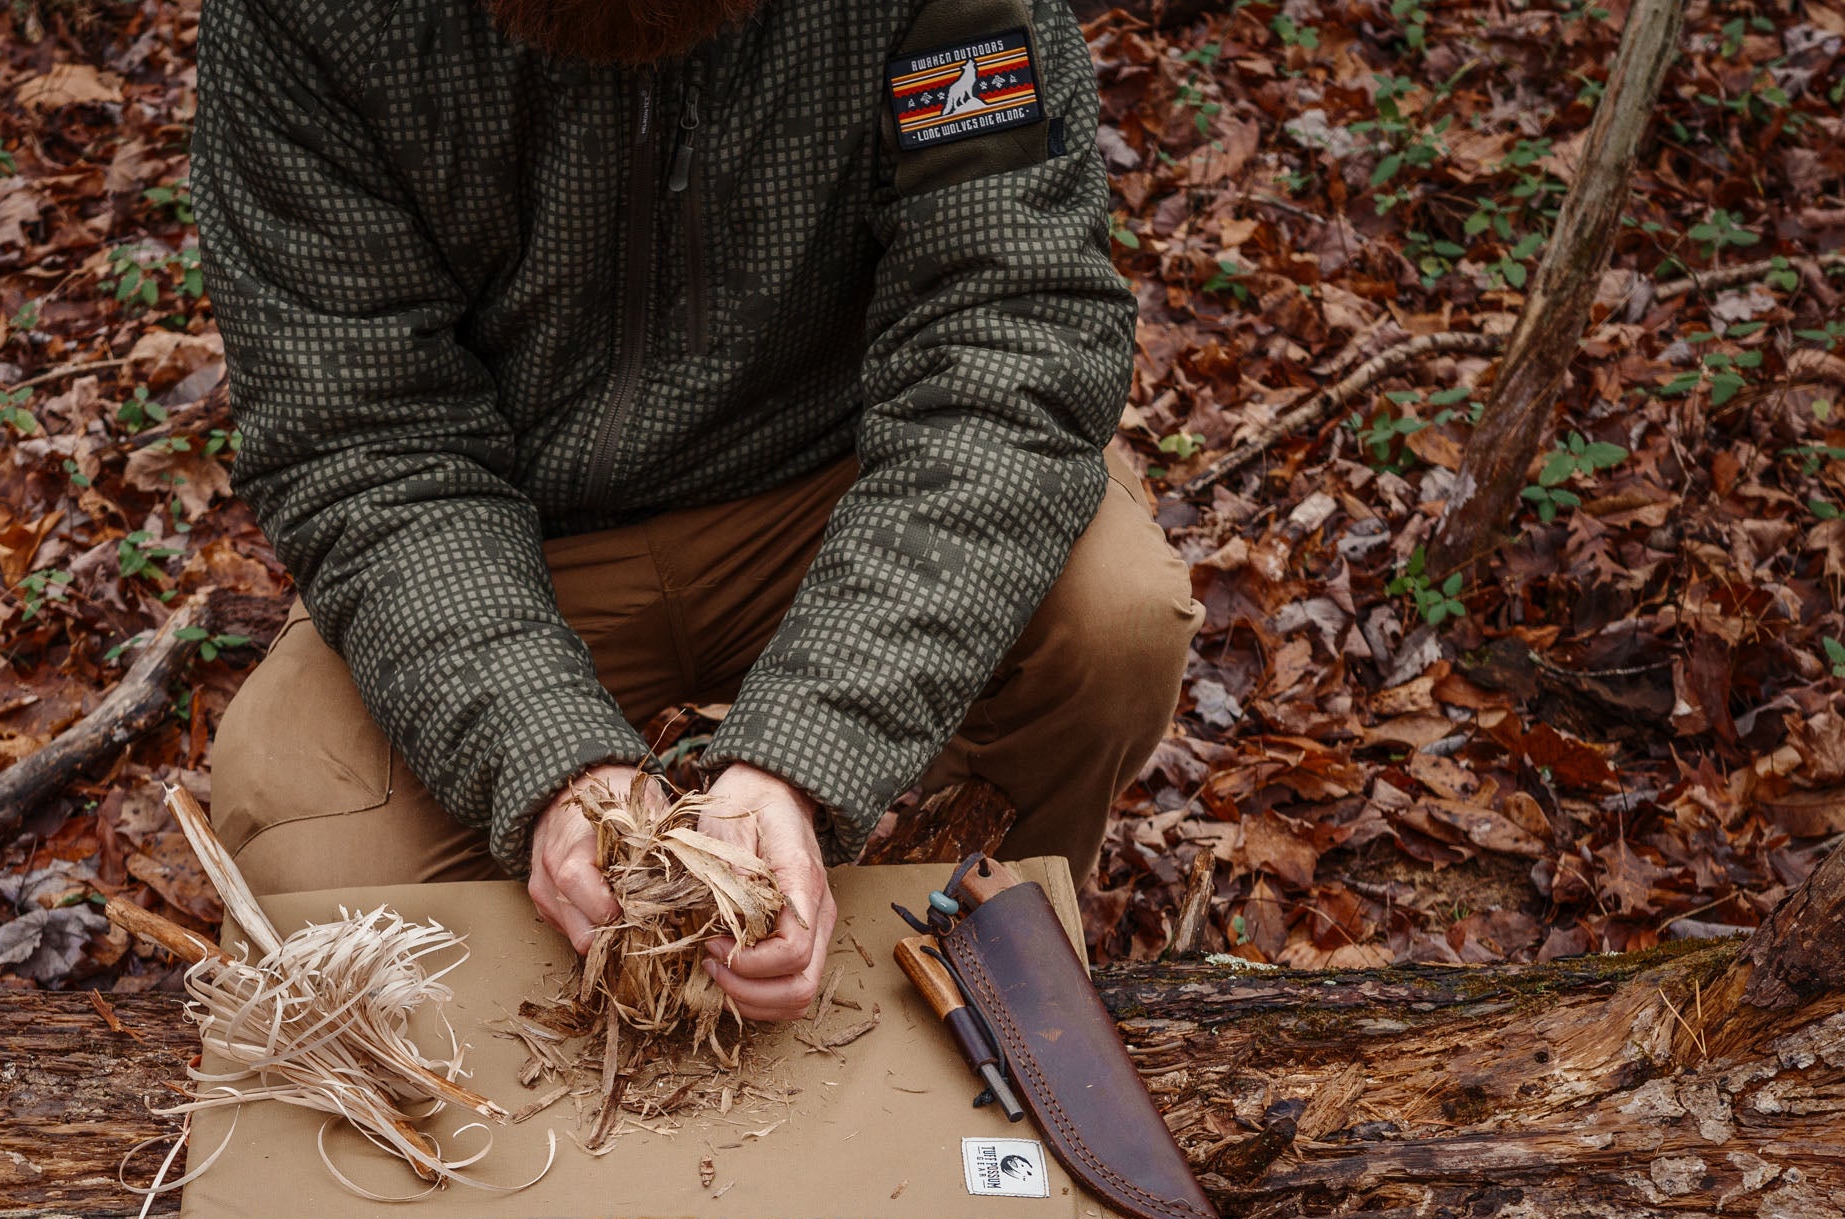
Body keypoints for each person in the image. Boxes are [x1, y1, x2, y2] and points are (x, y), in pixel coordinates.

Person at [194, 0, 1201, 1021]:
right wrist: (547, 755)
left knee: (1111, 620)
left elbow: (1005, 329)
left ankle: (964, 973)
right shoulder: (309, 18)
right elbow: (365, 436)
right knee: (309, 845)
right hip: (510, 538)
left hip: (837, 490)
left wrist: (810, 748)